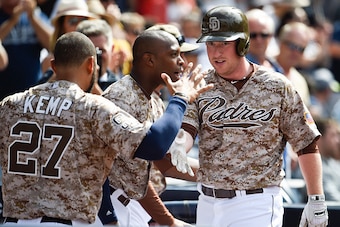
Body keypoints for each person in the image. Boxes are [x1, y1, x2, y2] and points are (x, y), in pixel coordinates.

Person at [0, 31, 212, 226]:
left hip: (13, 221)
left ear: (53, 66)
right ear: (92, 65)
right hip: (68, 221)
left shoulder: (9, 104)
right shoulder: (91, 107)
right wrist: (180, 99)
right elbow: (153, 145)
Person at [180, 6, 328, 227]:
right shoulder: (200, 84)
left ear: (242, 44)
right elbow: (187, 132)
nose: (216, 52)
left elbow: (306, 144)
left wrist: (316, 198)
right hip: (208, 202)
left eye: (224, 43)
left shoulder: (276, 85)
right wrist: (177, 146)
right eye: (211, 43)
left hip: (255, 202)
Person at [102, 26, 200, 227]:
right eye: (174, 54)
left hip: (133, 206)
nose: (182, 61)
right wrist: (169, 222)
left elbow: (166, 162)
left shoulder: (152, 99)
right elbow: (135, 177)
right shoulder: (121, 97)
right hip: (115, 207)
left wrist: (225, 173)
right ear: (149, 60)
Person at [0, 0, 52, 100]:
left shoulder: (35, 14)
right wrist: (13, 20)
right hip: (3, 91)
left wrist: (32, 17)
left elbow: (51, 45)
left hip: (31, 91)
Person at [76, 19, 120, 91]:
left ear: (112, 49)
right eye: (90, 51)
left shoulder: (118, 86)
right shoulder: (68, 79)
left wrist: (93, 85)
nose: (95, 57)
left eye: (101, 51)